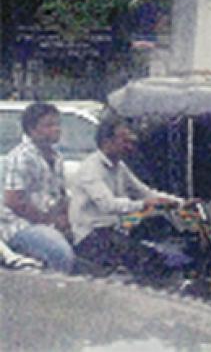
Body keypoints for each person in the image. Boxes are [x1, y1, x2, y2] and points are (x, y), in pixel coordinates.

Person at [70, 117, 182, 280]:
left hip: (115, 230)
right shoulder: (91, 169)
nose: (129, 147)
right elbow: (108, 205)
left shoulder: (119, 166)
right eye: (124, 141)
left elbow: (145, 191)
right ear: (107, 141)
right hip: (91, 237)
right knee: (147, 259)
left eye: (130, 142)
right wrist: (145, 204)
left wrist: (180, 202)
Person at [0, 102, 75, 271]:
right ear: (32, 130)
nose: (56, 129)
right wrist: (47, 221)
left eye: (57, 124)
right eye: (49, 125)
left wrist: (64, 219)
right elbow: (14, 201)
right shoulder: (21, 157)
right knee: (59, 253)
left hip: (49, 222)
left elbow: (60, 196)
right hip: (19, 225)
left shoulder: (56, 157)